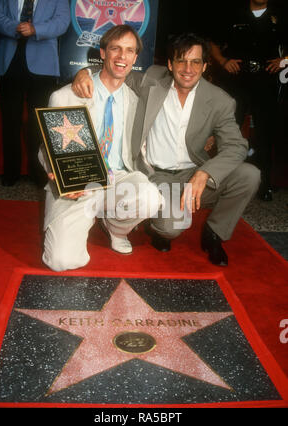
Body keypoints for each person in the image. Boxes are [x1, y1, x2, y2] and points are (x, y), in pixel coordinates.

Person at [72, 32, 261, 267]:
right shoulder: (151, 80)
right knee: (171, 228)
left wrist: (205, 173)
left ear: (205, 66)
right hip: (157, 175)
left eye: (195, 62)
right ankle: (158, 227)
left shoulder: (220, 100)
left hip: (194, 173)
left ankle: (214, 233)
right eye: (181, 60)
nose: (188, 68)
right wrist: (84, 72)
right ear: (170, 64)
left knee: (249, 175)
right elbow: (113, 70)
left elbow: (237, 145)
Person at [38, 25, 162, 272]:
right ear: (102, 53)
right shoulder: (66, 97)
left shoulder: (137, 100)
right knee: (61, 262)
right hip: (80, 185)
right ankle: (84, 218)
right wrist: (57, 175)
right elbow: (46, 149)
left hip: (119, 177)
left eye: (129, 51)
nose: (121, 57)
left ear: (135, 58)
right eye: (115, 49)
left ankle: (114, 228)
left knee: (151, 197)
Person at [210, 0, 288, 201]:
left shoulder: (280, 14)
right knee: (227, 131)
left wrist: (285, 61)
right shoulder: (233, 12)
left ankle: (264, 185)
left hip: (266, 80)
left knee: (265, 134)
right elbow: (212, 43)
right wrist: (223, 61)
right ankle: (217, 182)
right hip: (236, 80)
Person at [0, 0, 70, 186]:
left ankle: (39, 174)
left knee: (39, 124)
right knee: (10, 121)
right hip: (9, 64)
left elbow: (63, 22)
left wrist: (35, 29)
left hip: (44, 66)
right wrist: (14, 27)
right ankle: (11, 173)